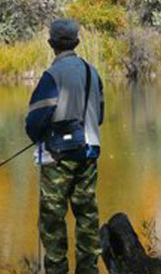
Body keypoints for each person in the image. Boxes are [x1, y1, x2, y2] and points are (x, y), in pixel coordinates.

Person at [25, 19, 104, 274]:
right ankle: (88, 270)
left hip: (58, 158)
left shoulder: (52, 76)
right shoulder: (92, 72)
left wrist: (40, 136)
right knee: (87, 216)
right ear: (77, 42)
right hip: (89, 153)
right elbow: (99, 114)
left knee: (52, 221)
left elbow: (35, 121)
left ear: (51, 44)